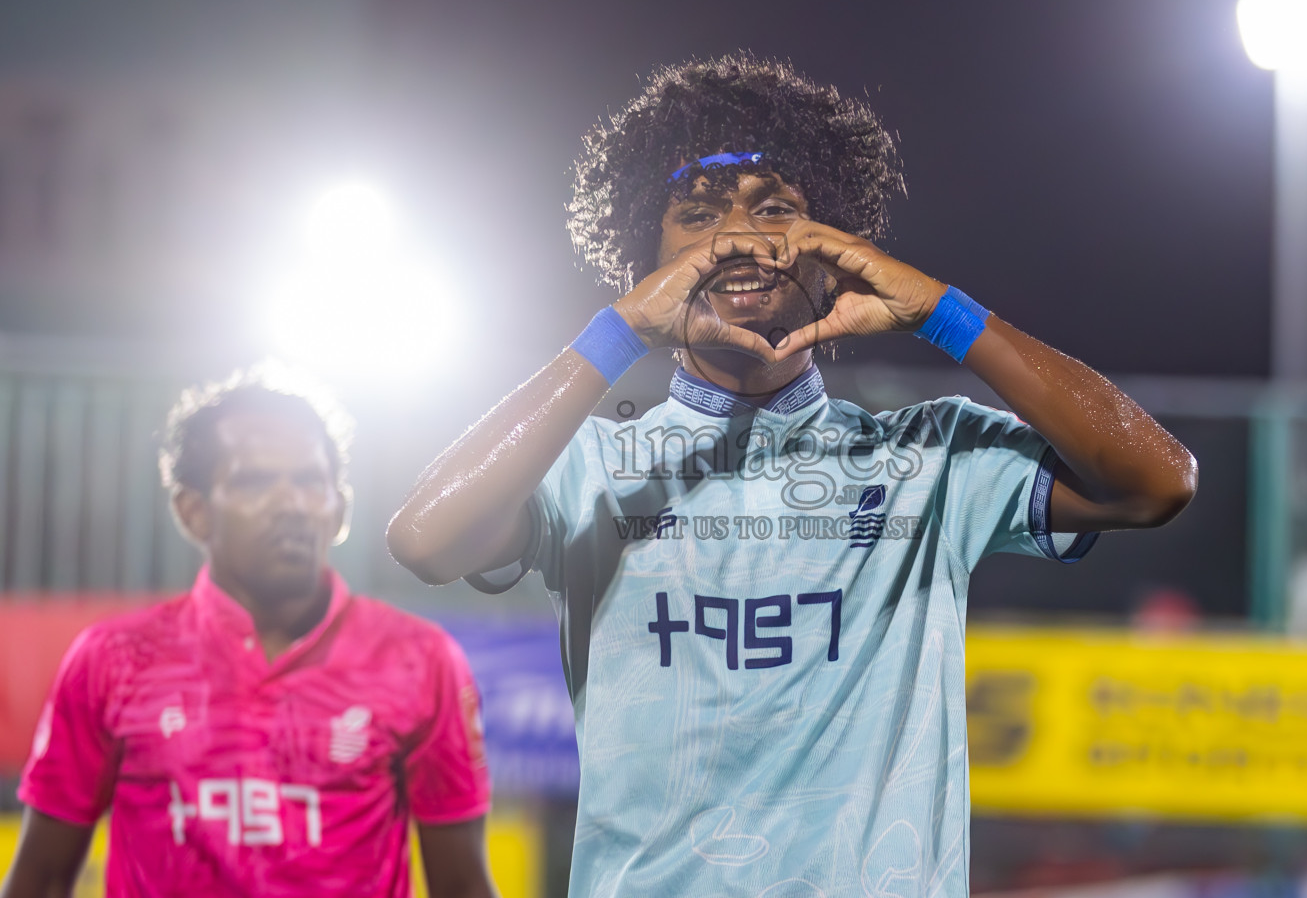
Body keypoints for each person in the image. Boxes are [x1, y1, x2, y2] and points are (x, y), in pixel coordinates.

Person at [388, 54, 1198, 896]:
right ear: (647, 266)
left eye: (775, 208)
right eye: (695, 215)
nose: (739, 237)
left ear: (833, 254)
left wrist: (939, 313)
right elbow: (424, 538)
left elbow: (1159, 480)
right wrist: (618, 332)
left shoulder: (931, 458)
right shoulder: (586, 465)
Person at [2, 369, 497, 898]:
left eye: (310, 481)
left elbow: (463, 885)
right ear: (193, 513)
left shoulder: (417, 659)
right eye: (254, 482)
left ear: (340, 510)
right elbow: (42, 879)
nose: (291, 503)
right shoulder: (114, 659)